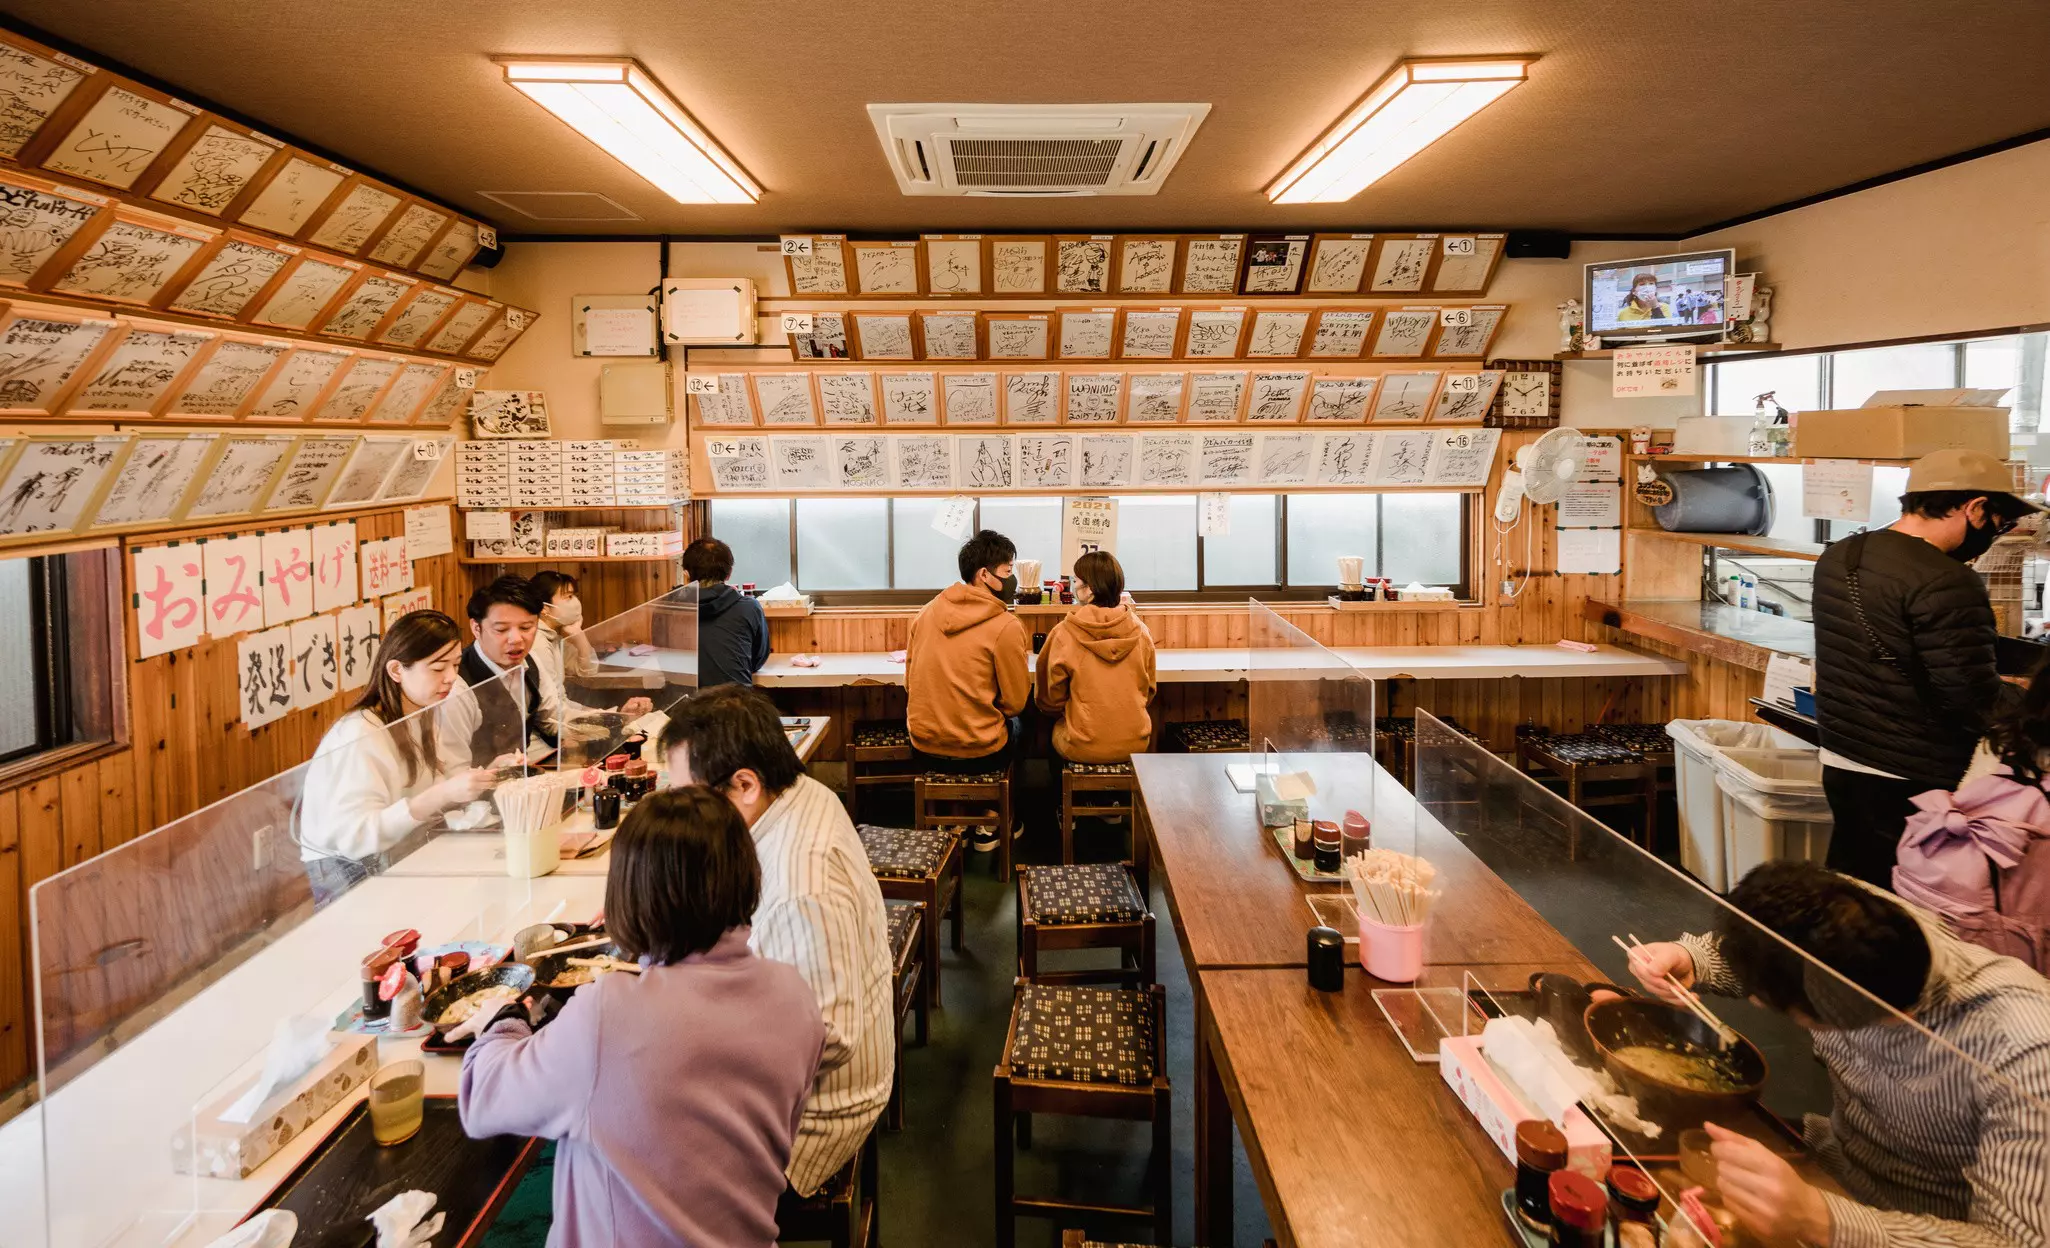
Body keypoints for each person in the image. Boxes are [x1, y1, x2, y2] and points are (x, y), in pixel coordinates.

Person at [458, 787, 826, 1248]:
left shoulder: (608, 1014)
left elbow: (482, 1101)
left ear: (628, 898)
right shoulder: (794, 996)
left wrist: (505, 1020)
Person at [1627, 860, 2050, 1248]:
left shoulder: (2026, 1048)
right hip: (1827, 1159)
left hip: (1920, 1224)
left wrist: (1821, 1220)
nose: (1757, 1002)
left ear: (1835, 1014)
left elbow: (2016, 1241)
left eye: (1775, 1005)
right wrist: (1692, 959)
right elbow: (1773, 948)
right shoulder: (1855, 920)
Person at [658, 686, 892, 1197]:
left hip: (816, 1111)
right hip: (807, 1060)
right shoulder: (799, 792)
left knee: (636, 1146)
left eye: (687, 797)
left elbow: (828, 1036)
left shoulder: (800, 889)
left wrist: (700, 1046)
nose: (680, 812)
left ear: (744, 784)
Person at [1811, 449, 2037, 886]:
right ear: (1975, 508)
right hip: (1912, 772)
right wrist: (2034, 706)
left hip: (1842, 753)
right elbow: (1971, 697)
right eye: (2000, 523)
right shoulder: (1948, 579)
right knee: (1911, 904)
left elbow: (1904, 641)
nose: (1996, 534)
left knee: (1853, 889)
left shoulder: (1841, 555)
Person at [298, 611, 494, 882]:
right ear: (396, 670)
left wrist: (488, 775)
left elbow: (435, 785)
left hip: (398, 853)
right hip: (348, 870)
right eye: (438, 668)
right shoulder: (360, 733)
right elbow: (356, 837)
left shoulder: (420, 712)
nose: (451, 678)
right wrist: (441, 794)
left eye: (456, 665)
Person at [906, 530, 1031, 848]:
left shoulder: (925, 613)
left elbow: (910, 684)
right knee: (1019, 726)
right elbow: (1015, 701)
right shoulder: (1007, 626)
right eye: (1007, 571)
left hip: (923, 747)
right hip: (980, 753)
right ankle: (995, 819)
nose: (1012, 579)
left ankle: (951, 818)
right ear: (984, 575)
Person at [1036, 550, 1156, 763]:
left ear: (1089, 590)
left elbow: (1049, 699)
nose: (1073, 587)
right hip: (1136, 743)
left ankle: (1063, 794)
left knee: (1047, 731)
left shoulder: (1064, 632)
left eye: (1076, 581)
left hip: (1082, 744)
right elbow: (1148, 692)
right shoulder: (1141, 632)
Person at [449, 575, 558, 766]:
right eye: (501, 630)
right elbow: (453, 767)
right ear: (476, 628)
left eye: (526, 627)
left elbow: (554, 718)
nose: (516, 639)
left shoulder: (530, 662)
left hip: (523, 778)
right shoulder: (457, 685)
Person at [528, 570, 652, 730]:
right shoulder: (538, 642)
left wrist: (579, 637)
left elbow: (588, 670)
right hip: (548, 733)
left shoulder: (553, 638)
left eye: (574, 596)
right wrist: (614, 718)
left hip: (562, 720)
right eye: (568, 597)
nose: (575, 602)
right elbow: (551, 712)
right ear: (544, 608)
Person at [684, 537, 771, 690]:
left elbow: (665, 665)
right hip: (735, 707)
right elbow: (756, 661)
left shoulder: (667, 609)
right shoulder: (749, 608)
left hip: (686, 708)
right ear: (728, 574)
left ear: (686, 574)